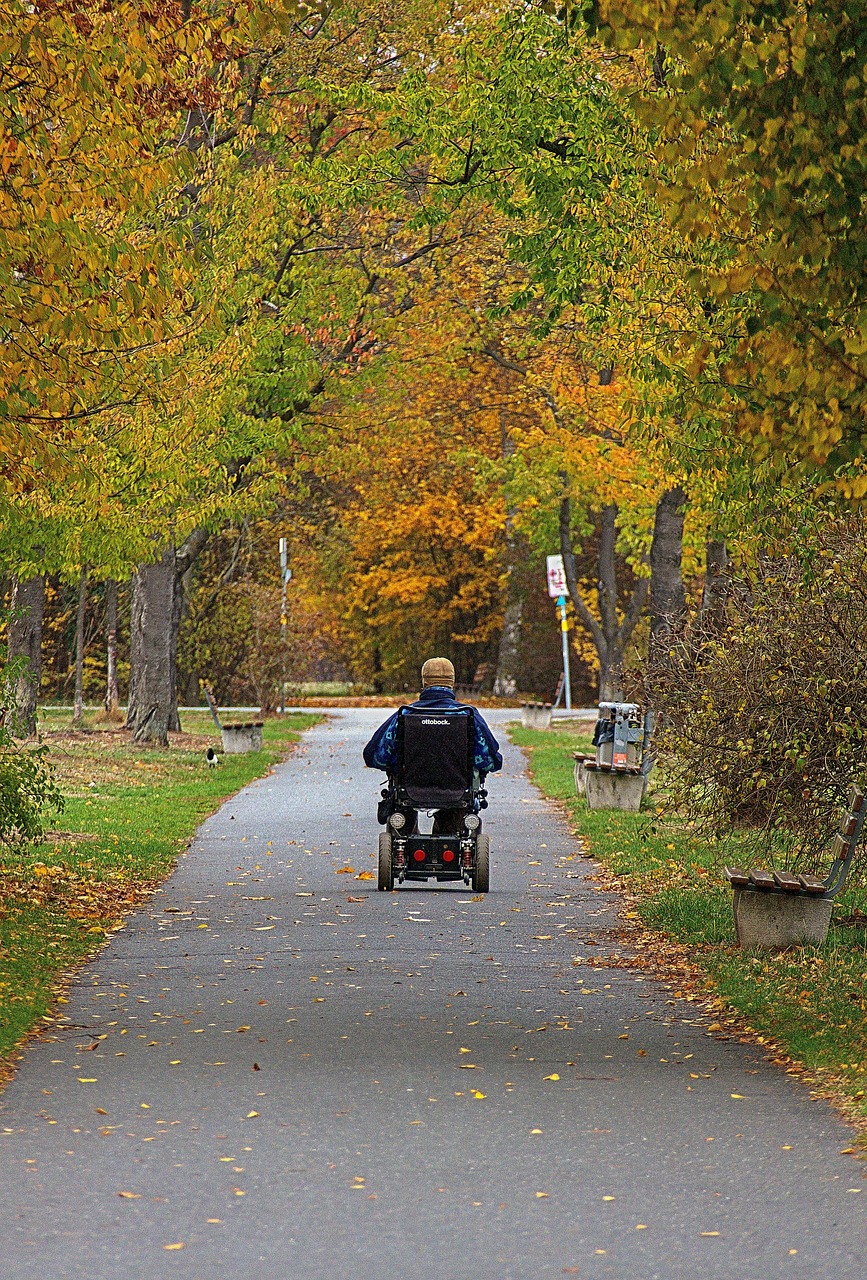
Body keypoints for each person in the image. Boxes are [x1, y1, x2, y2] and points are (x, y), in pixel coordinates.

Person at [363, 657, 502, 834]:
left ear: (424, 682)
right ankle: (447, 835)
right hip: (458, 791)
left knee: (401, 807)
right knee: (457, 812)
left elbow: (374, 756)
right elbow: (489, 761)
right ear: (451, 682)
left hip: (409, 789)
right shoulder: (468, 716)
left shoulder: (405, 714)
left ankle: (407, 841)